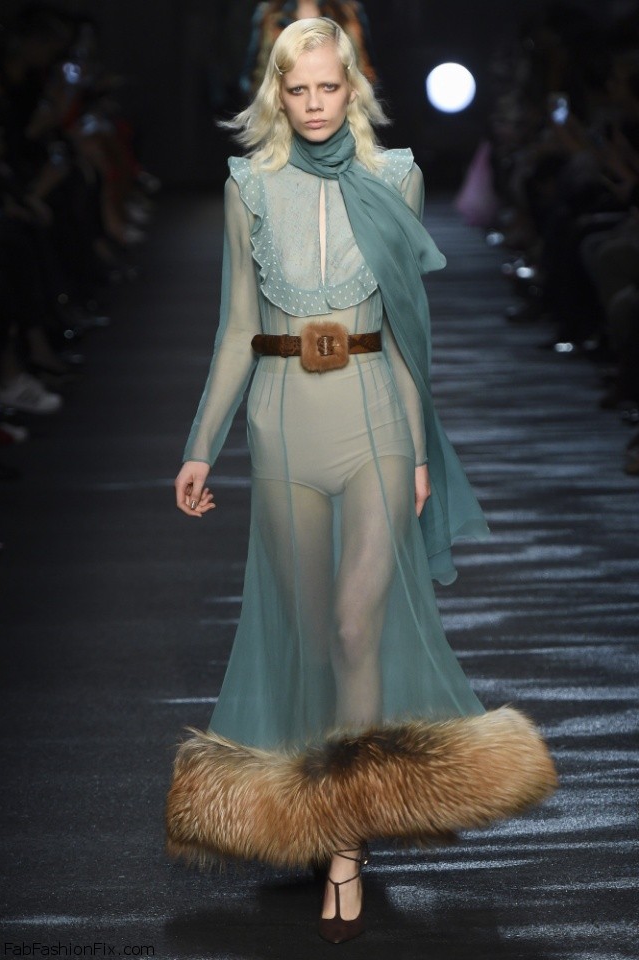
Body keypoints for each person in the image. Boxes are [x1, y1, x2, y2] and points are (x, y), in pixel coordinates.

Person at [170, 17, 555, 944]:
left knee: (355, 625)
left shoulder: (397, 177)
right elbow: (235, 329)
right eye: (297, 89)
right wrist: (199, 445)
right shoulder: (248, 186)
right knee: (310, 632)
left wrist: (419, 451)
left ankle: (345, 843)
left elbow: (412, 327)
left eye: (328, 87)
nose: (313, 105)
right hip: (280, 422)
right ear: (277, 92)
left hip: (377, 411)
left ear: (353, 89)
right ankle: (320, 809)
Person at [240, 0, 377, 97]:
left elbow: (366, 70)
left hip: (342, 113)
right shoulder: (269, 14)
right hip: (282, 114)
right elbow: (252, 76)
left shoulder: (348, 12)